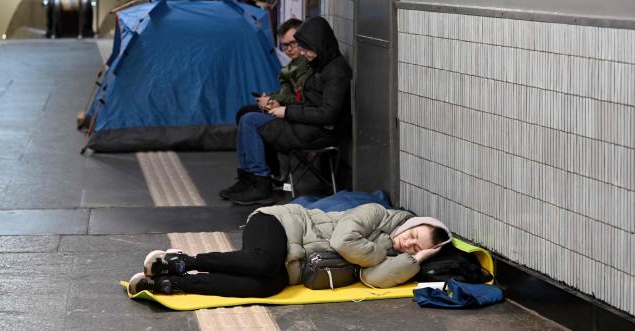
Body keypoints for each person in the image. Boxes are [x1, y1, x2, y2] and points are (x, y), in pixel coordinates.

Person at [127, 203, 452, 297]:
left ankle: (174, 283)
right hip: (280, 223)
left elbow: (375, 280)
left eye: (416, 247)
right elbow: (342, 243)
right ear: (410, 224)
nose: (408, 243)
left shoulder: (397, 256)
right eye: (413, 235)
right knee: (266, 263)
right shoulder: (376, 213)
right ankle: (182, 260)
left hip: (292, 262)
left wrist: (413, 261)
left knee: (269, 284)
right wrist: (383, 254)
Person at [221, 16, 352, 206]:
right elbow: (311, 104)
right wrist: (285, 108)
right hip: (308, 126)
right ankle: (250, 178)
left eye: (306, 48)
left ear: (318, 45)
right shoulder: (322, 65)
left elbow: (328, 114)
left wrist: (286, 111)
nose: (303, 53)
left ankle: (259, 182)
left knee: (250, 121)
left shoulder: (335, 72)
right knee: (248, 118)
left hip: (318, 132)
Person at [233, 18, 309, 125]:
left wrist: (272, 99)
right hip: (285, 108)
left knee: (245, 114)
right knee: (244, 112)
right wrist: (269, 98)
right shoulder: (294, 63)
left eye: (293, 43)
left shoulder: (305, 64)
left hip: (293, 114)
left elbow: (300, 99)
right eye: (285, 45)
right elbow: (287, 92)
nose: (289, 49)